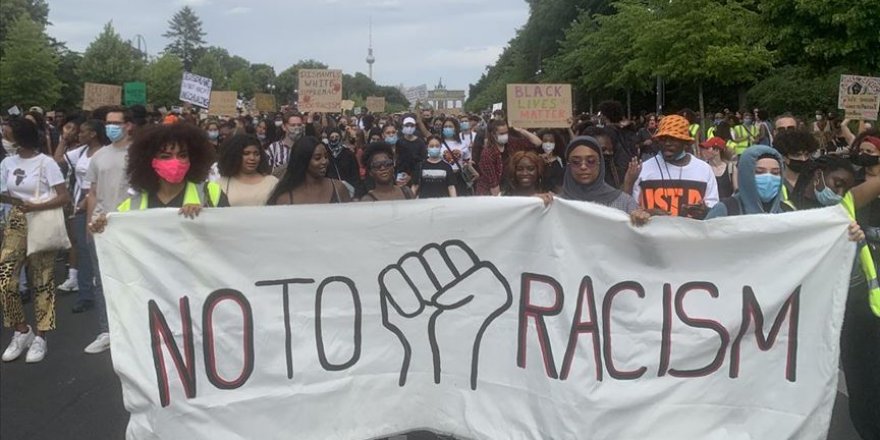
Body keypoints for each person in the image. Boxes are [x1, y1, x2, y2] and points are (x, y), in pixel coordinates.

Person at [0, 118, 71, 363]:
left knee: (43, 280)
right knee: (5, 279)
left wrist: (36, 205)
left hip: (42, 222)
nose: (5, 139)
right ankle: (21, 331)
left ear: (20, 138)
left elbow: (64, 197)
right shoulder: (7, 162)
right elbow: (8, 193)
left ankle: (41, 336)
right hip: (17, 222)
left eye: (7, 135)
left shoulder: (46, 163)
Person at [83, 106, 135, 354]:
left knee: (131, 278)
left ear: (128, 125)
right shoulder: (99, 157)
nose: (111, 127)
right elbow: (92, 192)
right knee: (102, 280)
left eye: (116, 122)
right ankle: (107, 331)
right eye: (108, 122)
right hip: (102, 227)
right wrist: (89, 224)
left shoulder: (138, 154)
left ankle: (132, 328)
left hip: (130, 228)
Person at [631, 115, 719, 218]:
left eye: (673, 139)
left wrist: (705, 211)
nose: (667, 143)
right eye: (663, 139)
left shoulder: (703, 170)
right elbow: (630, 210)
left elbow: (715, 211)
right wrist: (648, 213)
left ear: (686, 144)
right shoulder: (643, 169)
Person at [65, 120, 108, 313]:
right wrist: (63, 139)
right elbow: (58, 158)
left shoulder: (105, 154)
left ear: (93, 134)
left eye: (82, 131)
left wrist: (86, 203)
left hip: (99, 202)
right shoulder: (81, 152)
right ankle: (86, 294)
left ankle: (104, 292)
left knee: (99, 250)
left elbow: (98, 185)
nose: (79, 134)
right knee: (83, 247)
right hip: (81, 201)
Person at [556, 136, 648, 224]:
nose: (583, 166)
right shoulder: (555, 204)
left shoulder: (624, 203)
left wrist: (641, 220)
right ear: (568, 166)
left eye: (591, 161)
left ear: (600, 163)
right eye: (576, 162)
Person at [267, 137, 352, 205]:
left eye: (326, 157)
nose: (324, 161)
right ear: (303, 161)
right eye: (317, 158)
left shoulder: (339, 188)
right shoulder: (284, 198)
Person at [477, 120, 541, 196]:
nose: (505, 136)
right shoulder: (487, 154)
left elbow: (538, 143)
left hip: (507, 188)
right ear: (493, 134)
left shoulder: (511, 143)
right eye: (501, 134)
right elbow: (493, 185)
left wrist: (521, 130)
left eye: (506, 132)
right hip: (488, 193)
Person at [216, 134, 278, 207]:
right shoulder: (221, 184)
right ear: (234, 156)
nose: (252, 158)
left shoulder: (272, 183)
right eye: (246, 153)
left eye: (256, 154)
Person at [772, 128, 818, 201]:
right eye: (797, 155)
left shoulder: (817, 180)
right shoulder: (775, 183)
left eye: (806, 155)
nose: (803, 159)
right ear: (783, 157)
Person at [322, 127, 361, 195]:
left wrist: (357, 193)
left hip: (346, 189)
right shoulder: (325, 154)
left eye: (337, 136)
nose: (334, 139)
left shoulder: (349, 154)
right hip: (329, 190)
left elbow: (355, 175)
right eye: (332, 137)